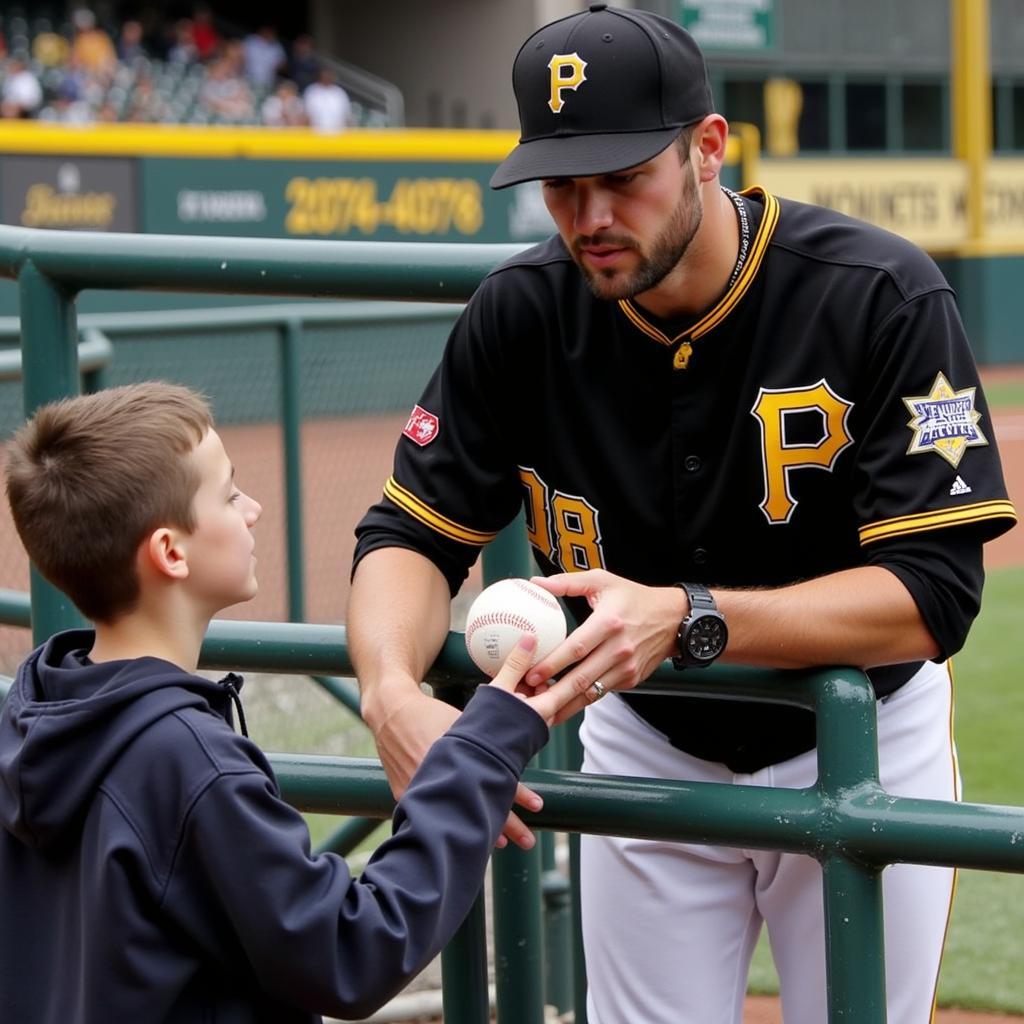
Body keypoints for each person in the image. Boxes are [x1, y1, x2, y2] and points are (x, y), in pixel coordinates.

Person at [348, 5, 1018, 1023]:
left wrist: (691, 614)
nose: (589, 216)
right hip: (646, 745)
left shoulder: (878, 294)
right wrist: (391, 694)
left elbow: (932, 596)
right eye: (561, 185)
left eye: (623, 176)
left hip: (862, 732)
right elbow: (409, 533)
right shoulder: (520, 314)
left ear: (708, 149)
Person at [0, 382, 579, 1023]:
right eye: (227, 494)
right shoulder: (186, 763)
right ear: (170, 552)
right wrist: (480, 749)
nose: (250, 509)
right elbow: (352, 952)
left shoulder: (32, 713)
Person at [303, 65, 351, 132]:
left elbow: (347, 116)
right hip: (316, 134)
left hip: (337, 135)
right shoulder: (311, 91)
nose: (327, 77)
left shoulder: (340, 93)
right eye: (325, 75)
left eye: (329, 75)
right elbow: (306, 115)